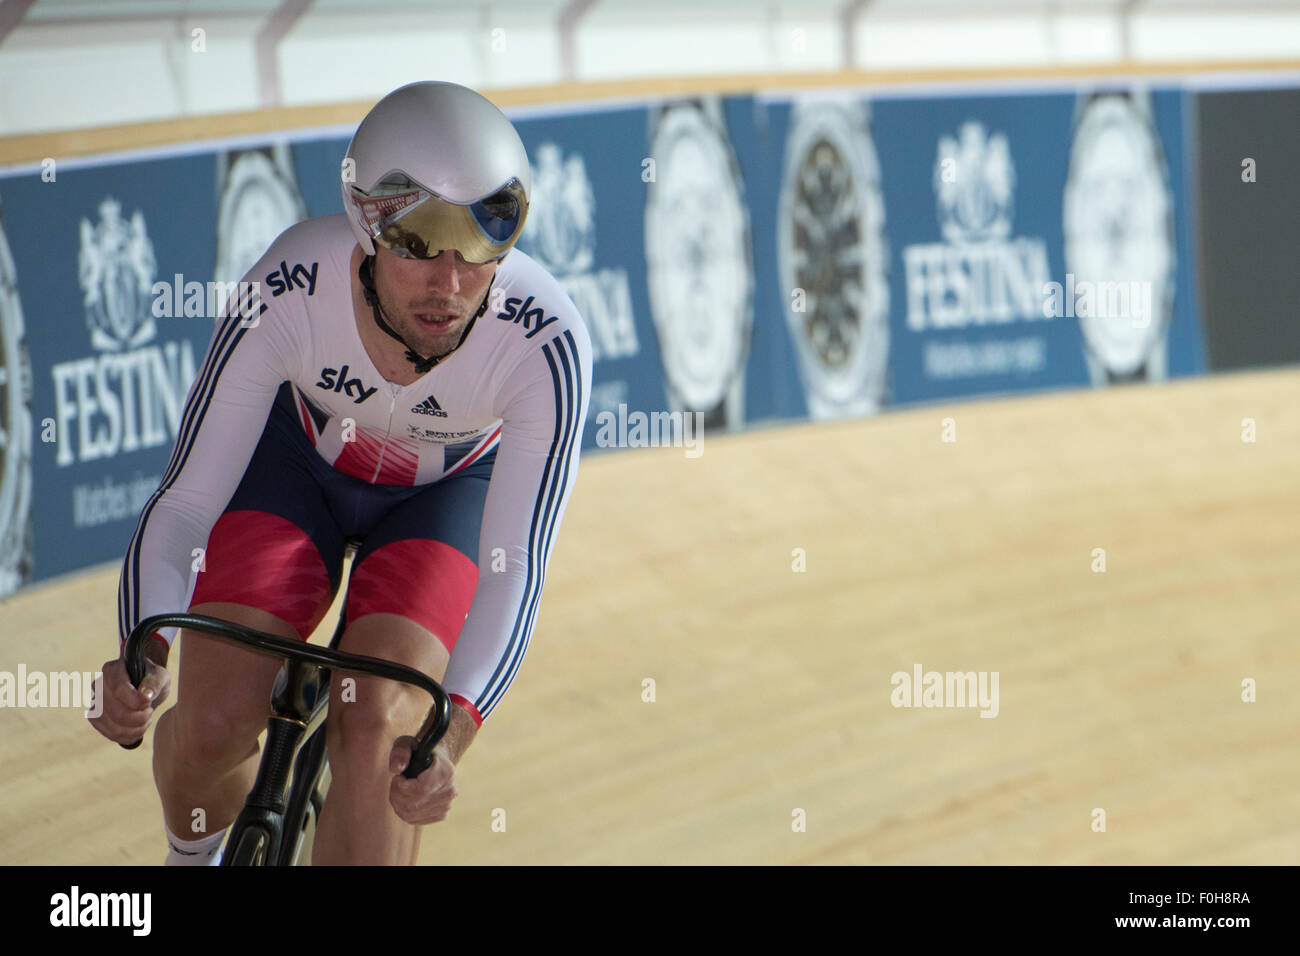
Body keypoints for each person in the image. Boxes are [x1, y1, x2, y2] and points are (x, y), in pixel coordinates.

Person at [87, 81, 592, 865]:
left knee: (383, 737)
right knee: (212, 724)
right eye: (419, 246)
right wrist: (140, 653)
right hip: (297, 468)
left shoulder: (547, 340)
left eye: (478, 252)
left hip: (444, 500)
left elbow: (514, 568)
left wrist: (452, 733)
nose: (449, 287)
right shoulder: (290, 283)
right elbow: (185, 501)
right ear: (365, 225)